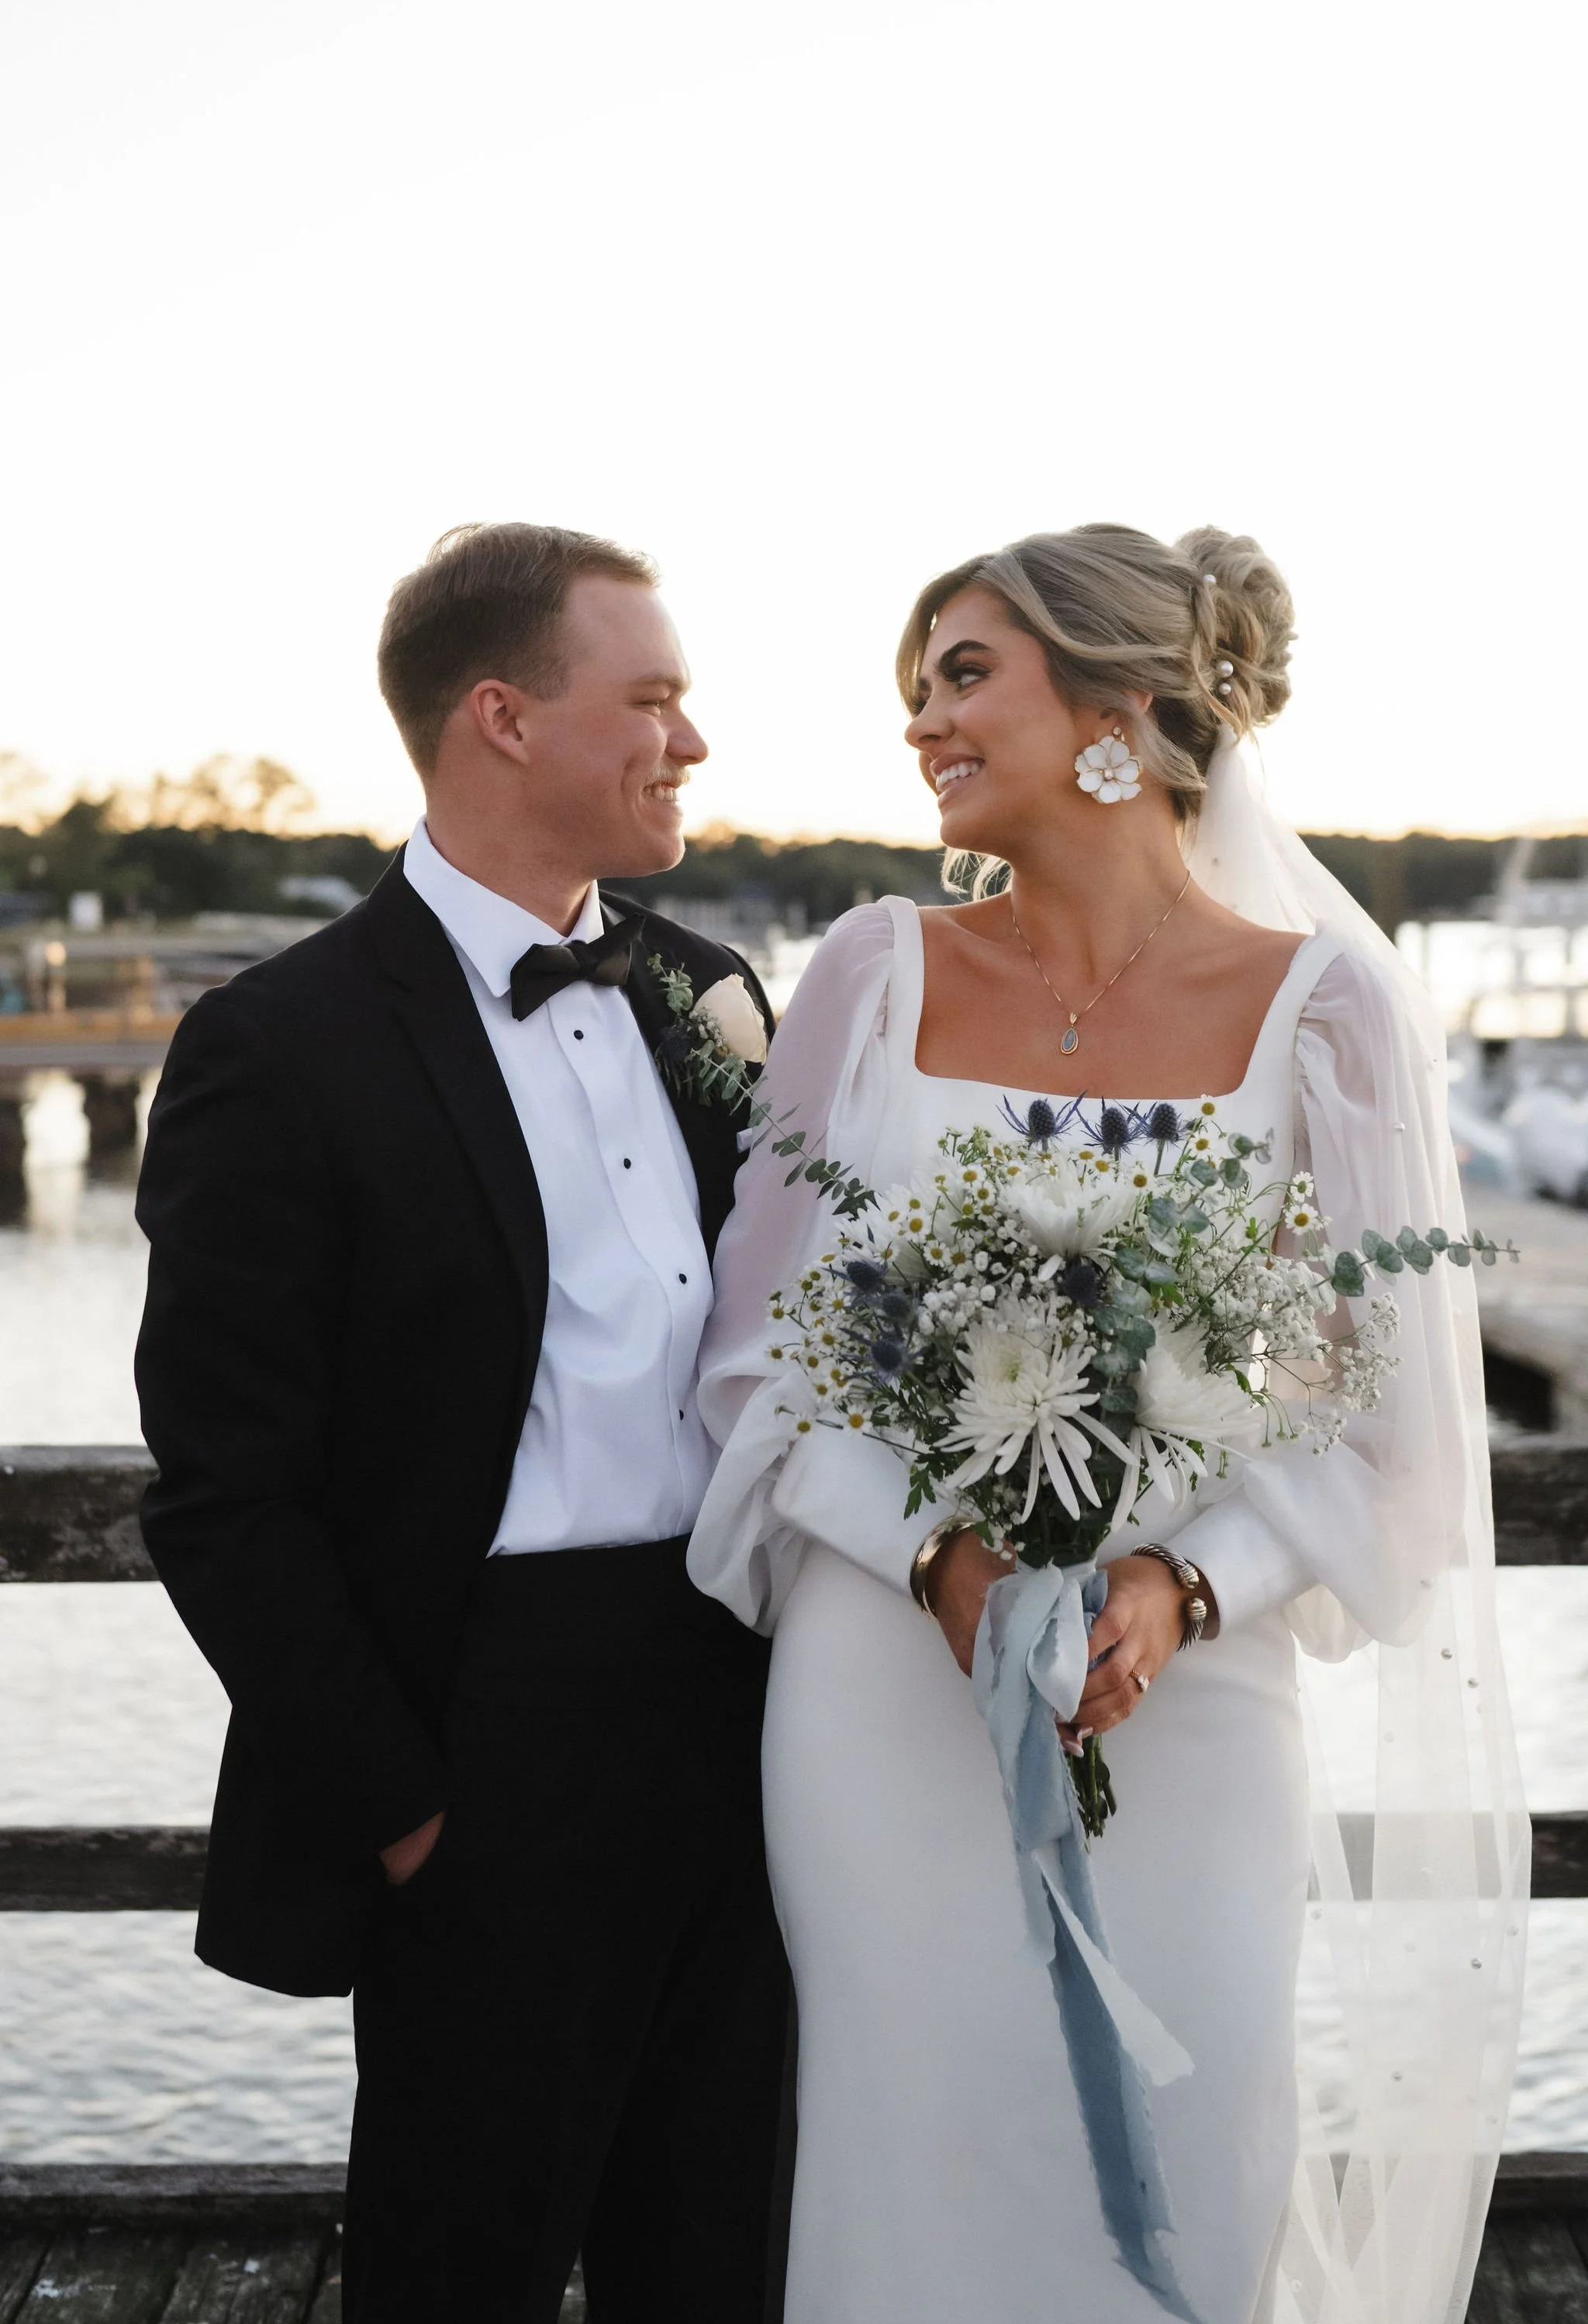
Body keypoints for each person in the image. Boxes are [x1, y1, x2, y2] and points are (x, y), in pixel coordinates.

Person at [689, 525, 1527, 2323]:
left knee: (1197, 2139)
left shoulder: (1331, 1013)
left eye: (964, 671)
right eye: (916, 684)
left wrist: (1178, 1585)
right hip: (883, 1686)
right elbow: (756, 1362)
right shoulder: (867, 974)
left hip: (1191, 1707)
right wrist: (942, 1560)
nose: (922, 719)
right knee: (906, 2150)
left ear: (1121, 713)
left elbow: (1375, 1416)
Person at [135, 522, 789, 2323]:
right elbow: (224, 1496)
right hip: (487, 1733)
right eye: (649, 698)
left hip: (746, 1699)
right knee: (460, 2268)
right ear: (502, 717)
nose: (692, 741)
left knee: (726, 2246)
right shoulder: (280, 1045)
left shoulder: (714, 995)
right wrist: (410, 1811)